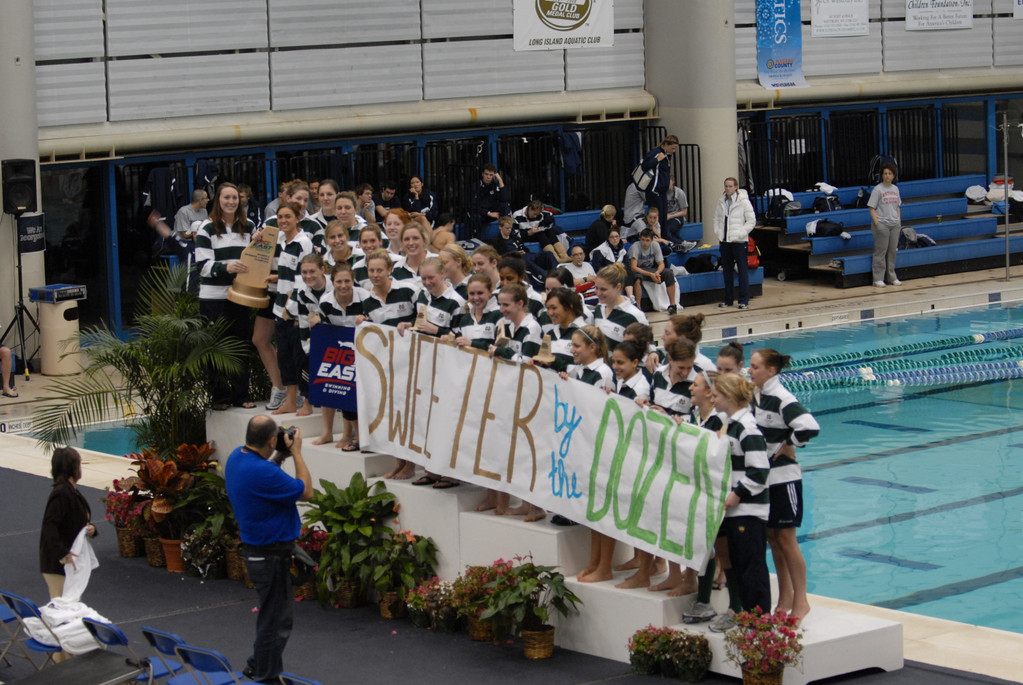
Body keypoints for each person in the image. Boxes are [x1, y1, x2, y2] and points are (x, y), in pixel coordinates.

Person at [225, 415, 313, 683]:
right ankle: (266, 678)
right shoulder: (263, 472)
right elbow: (306, 491)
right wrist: (296, 453)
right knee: (275, 624)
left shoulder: (236, 457)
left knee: (270, 618)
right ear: (272, 440)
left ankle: (256, 666)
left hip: (259, 552)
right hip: (270, 556)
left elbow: (266, 471)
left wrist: (280, 455)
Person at [750, 349, 820, 624]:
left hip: (785, 480)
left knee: (787, 541)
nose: (750, 370)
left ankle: (802, 600)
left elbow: (809, 427)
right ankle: (785, 596)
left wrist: (788, 444)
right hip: (766, 479)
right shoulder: (757, 395)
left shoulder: (782, 398)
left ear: (771, 371)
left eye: (755, 367)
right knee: (773, 540)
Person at [708, 373, 771, 632]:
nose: (712, 398)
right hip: (737, 511)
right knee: (741, 564)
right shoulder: (732, 424)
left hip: (748, 511)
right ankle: (750, 618)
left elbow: (760, 470)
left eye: (717, 394)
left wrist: (737, 494)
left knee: (751, 566)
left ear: (730, 397)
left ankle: (760, 621)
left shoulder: (747, 428)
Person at [194, 182, 256, 410]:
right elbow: (202, 265)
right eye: (226, 198)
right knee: (216, 349)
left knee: (240, 346)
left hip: (240, 297)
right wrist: (227, 268)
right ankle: (220, 397)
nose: (231, 202)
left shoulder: (248, 226)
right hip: (213, 299)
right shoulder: (207, 228)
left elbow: (255, 259)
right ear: (217, 200)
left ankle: (242, 394)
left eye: (234, 198)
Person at [311, 262, 370, 451]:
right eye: (338, 281)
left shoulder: (366, 298)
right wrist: (316, 322)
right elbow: (326, 331)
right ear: (332, 281)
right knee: (344, 389)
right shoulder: (326, 302)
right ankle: (357, 437)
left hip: (365, 352)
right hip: (343, 354)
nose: (343, 285)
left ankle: (361, 437)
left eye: (347, 281)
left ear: (353, 281)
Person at [269, 201, 315, 415]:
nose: (283, 221)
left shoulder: (303, 242)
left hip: (297, 311)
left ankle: (307, 402)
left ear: (298, 218)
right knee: (284, 357)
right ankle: (289, 400)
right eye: (280, 217)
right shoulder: (280, 238)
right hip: (280, 309)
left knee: (300, 358)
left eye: (288, 216)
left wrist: (294, 308)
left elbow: (304, 277)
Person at [40, 447, 97, 601]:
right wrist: (63, 553)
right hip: (58, 565)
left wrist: (90, 528)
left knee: (69, 606)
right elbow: (49, 525)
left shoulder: (71, 491)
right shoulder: (62, 493)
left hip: (68, 562)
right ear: (73, 468)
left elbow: (74, 519)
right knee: (62, 609)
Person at [713, 177, 756, 310]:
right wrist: (719, 233)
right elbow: (716, 218)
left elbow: (751, 221)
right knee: (727, 270)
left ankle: (743, 299)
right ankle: (728, 299)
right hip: (725, 241)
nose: (728, 189)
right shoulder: (722, 201)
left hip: (738, 241)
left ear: (736, 187)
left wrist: (740, 233)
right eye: (726, 186)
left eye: (730, 186)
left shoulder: (743, 202)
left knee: (742, 270)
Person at [591, 262, 646, 351]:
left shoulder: (635, 315)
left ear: (618, 287)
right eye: (596, 288)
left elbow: (648, 350)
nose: (598, 293)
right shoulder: (599, 308)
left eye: (603, 289)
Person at [489, 215, 557, 285]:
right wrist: (515, 253)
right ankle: (546, 278)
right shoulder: (496, 242)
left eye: (510, 228)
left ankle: (558, 274)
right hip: (514, 260)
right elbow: (499, 257)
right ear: (500, 227)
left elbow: (523, 247)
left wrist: (522, 250)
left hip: (526, 255)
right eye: (507, 228)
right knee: (525, 260)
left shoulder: (515, 238)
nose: (509, 230)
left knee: (548, 254)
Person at [628, 227, 678, 315]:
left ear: (651, 240)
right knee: (637, 278)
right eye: (643, 240)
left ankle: (673, 305)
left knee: (669, 273)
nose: (645, 243)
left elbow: (661, 264)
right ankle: (638, 307)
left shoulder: (655, 245)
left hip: (651, 269)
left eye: (647, 240)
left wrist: (657, 273)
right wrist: (650, 274)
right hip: (639, 270)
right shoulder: (635, 246)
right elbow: (633, 267)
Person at [868, 162, 902, 288]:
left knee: (892, 251)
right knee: (881, 251)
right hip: (882, 223)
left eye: (890, 173)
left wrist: (898, 220)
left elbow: (898, 206)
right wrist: (877, 223)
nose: (887, 176)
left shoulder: (895, 189)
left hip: (894, 224)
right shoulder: (878, 189)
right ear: (882, 175)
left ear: (893, 176)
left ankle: (891, 276)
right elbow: (871, 207)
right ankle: (878, 278)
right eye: (885, 173)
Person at [638, 134, 679, 223]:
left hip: (662, 190)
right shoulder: (656, 153)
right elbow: (644, 166)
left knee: (663, 216)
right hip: (654, 190)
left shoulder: (667, 155)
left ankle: (663, 235)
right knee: (657, 217)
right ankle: (656, 235)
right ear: (666, 145)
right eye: (672, 148)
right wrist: (657, 159)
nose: (674, 151)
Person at [664, 175, 689, 242]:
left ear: (673, 181)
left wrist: (671, 216)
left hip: (677, 217)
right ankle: (680, 243)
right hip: (665, 218)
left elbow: (684, 212)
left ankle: (680, 243)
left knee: (667, 228)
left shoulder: (679, 193)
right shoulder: (662, 193)